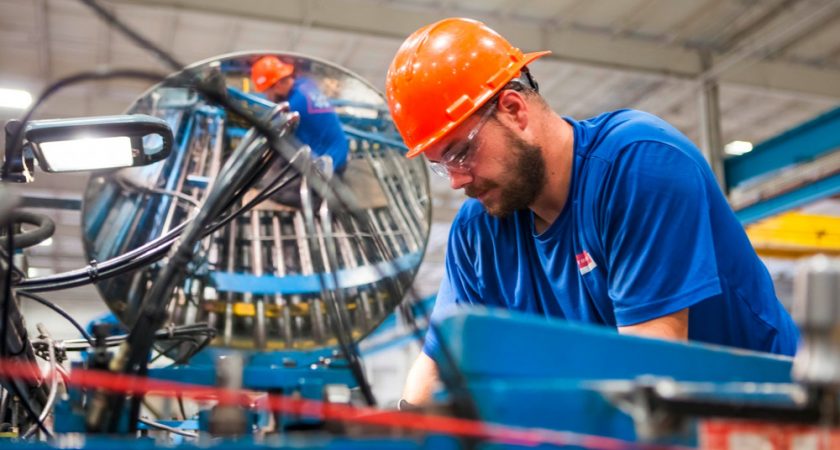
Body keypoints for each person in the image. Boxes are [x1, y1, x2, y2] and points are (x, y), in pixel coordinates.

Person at [384, 18, 800, 406]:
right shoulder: (479, 232)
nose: (456, 180)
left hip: (767, 416)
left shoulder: (638, 165)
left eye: (460, 152)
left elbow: (650, 371)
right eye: (442, 166)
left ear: (514, 110)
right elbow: (438, 364)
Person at [251, 56, 349, 207]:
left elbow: (277, 140)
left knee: (270, 189)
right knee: (278, 164)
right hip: (338, 153)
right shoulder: (305, 85)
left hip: (329, 167)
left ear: (278, 85)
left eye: (267, 91)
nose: (267, 97)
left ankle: (325, 201)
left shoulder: (293, 107)